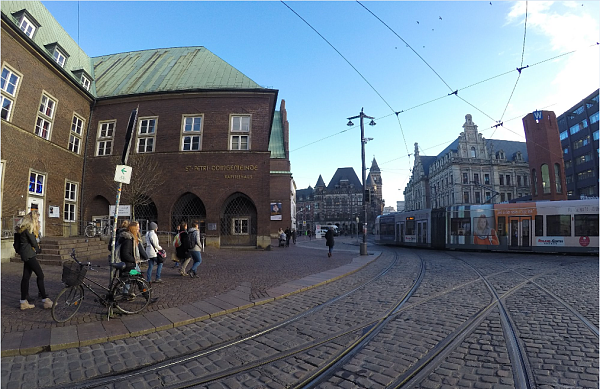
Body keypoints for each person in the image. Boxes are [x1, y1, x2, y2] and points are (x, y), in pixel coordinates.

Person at [17, 210, 52, 310]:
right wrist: (38, 249)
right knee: (40, 275)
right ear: (33, 219)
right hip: (29, 254)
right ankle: (45, 300)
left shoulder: (22, 228)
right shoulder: (28, 228)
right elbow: (33, 241)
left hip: (25, 254)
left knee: (26, 277)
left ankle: (23, 302)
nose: (38, 221)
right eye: (37, 219)